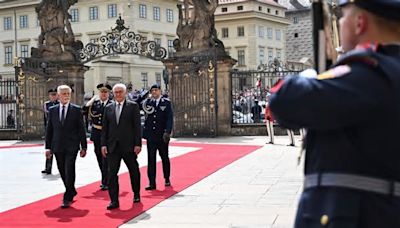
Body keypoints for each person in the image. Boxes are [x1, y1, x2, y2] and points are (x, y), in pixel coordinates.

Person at [269, 1, 400, 227]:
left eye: (342, 16)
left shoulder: (370, 74)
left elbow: (283, 102)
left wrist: (311, 75)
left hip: (356, 215)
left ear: (360, 23)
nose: (338, 23)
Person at [45, 85, 87, 208]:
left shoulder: (76, 109)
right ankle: (71, 189)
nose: (66, 96)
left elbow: (81, 129)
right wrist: (48, 147)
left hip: (72, 145)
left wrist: (83, 146)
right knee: (62, 169)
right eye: (63, 94)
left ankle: (67, 196)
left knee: (70, 168)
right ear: (58, 95)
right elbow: (49, 130)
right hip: (57, 145)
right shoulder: (52, 110)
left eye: (68, 94)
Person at [101, 83, 142, 210]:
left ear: (125, 93)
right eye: (116, 92)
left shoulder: (133, 106)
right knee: (111, 173)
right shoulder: (108, 108)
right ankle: (114, 200)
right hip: (113, 147)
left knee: (133, 171)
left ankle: (136, 193)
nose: (118, 94)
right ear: (113, 93)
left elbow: (137, 127)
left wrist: (138, 144)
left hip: (129, 146)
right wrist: (103, 144)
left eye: (120, 92)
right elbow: (105, 129)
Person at [142, 84, 173, 190]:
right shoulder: (147, 102)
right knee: (151, 159)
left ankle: (167, 178)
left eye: (156, 90)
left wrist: (167, 132)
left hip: (162, 135)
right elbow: (138, 105)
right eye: (152, 90)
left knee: (164, 157)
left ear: (160, 91)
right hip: (151, 135)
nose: (154, 92)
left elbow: (169, 118)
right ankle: (151, 182)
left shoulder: (166, 102)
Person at [82, 83, 112, 191]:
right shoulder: (95, 104)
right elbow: (83, 111)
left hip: (108, 134)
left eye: (105, 92)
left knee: (106, 158)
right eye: (101, 92)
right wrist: (90, 102)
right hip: (97, 133)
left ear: (108, 93)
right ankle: (105, 177)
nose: (103, 94)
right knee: (99, 156)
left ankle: (106, 181)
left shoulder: (112, 104)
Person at [41, 88, 59, 175]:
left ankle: (61, 166)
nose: (53, 96)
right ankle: (48, 167)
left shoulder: (60, 104)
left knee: (59, 150)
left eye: (55, 94)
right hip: (50, 130)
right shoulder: (47, 104)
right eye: (52, 95)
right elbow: (47, 114)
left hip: (58, 130)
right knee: (49, 149)